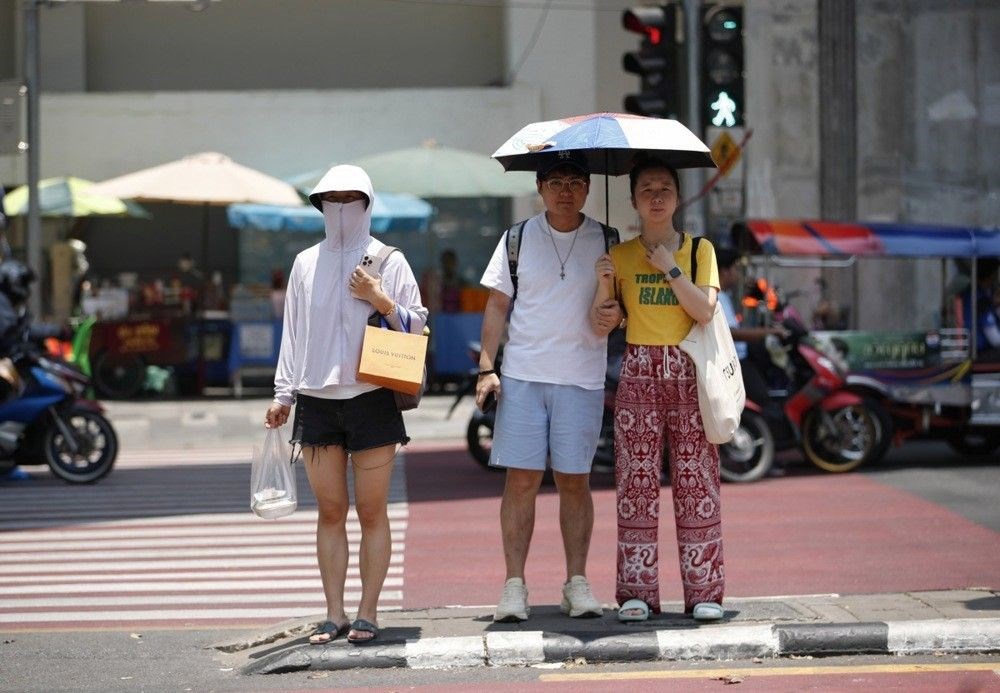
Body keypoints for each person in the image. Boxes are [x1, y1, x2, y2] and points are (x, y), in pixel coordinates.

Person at [264, 165, 427, 646]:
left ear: (367, 202)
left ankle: (368, 611)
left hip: (372, 397)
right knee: (330, 511)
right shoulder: (304, 263)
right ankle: (333, 613)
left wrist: (379, 298)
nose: (340, 208)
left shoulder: (388, 259)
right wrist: (283, 394)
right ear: (318, 205)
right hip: (315, 399)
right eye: (330, 199)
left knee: (373, 511)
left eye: (350, 199)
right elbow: (292, 332)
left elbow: (416, 325)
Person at [477, 150, 621, 623]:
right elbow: (498, 304)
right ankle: (513, 585)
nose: (565, 190)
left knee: (575, 481)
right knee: (520, 481)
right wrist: (486, 365)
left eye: (575, 181)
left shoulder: (608, 241)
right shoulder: (516, 238)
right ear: (539, 188)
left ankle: (576, 581)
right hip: (522, 375)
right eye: (555, 181)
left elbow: (614, 316)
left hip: (580, 377)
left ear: (587, 188)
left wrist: (610, 304)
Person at [592, 155, 725, 623]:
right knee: (636, 484)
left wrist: (669, 267)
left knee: (696, 482)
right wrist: (604, 288)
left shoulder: (698, 250)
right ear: (632, 199)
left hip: (688, 370)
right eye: (646, 189)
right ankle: (637, 593)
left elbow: (704, 312)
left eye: (664, 188)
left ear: (677, 197)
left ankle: (704, 591)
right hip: (638, 372)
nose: (655, 197)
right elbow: (603, 321)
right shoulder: (620, 256)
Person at [716, 247, 786, 422]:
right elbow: (732, 334)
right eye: (735, 269)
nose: (738, 274)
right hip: (734, 362)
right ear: (724, 271)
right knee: (762, 400)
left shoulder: (724, 296)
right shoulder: (716, 297)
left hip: (740, 357)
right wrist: (768, 332)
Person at [961, 257, 1000, 361]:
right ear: (992, 275)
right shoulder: (980, 299)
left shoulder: (973, 293)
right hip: (978, 353)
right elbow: (995, 339)